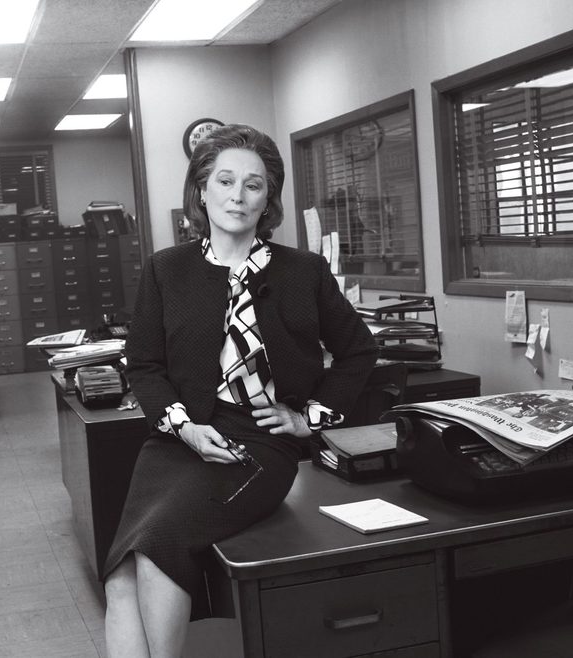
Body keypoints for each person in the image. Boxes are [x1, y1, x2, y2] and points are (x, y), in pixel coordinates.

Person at [102, 124, 378, 657]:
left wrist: (310, 418)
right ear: (201, 191)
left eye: (254, 185)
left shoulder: (303, 271)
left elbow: (359, 352)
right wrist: (184, 427)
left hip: (259, 445)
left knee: (157, 550)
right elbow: (145, 365)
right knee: (120, 575)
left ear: (267, 198)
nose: (238, 195)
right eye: (225, 181)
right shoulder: (166, 270)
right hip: (178, 439)